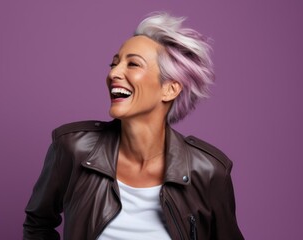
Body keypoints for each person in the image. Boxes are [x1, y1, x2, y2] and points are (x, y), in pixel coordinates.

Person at [23, 12, 244, 240]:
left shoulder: (207, 171)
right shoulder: (74, 148)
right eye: (114, 63)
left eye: (133, 64)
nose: (113, 73)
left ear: (170, 89)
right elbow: (38, 224)